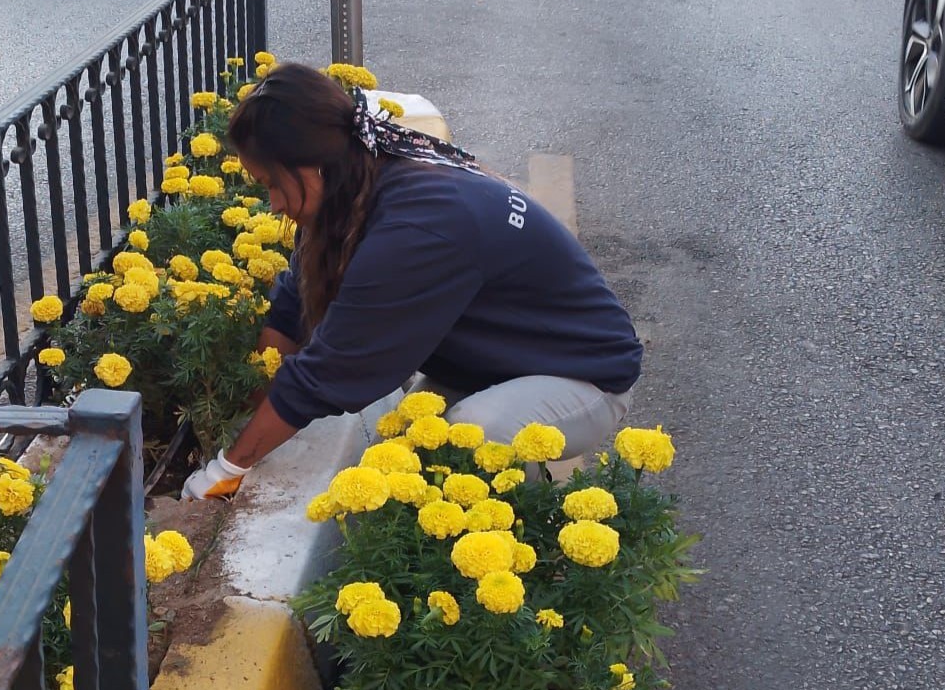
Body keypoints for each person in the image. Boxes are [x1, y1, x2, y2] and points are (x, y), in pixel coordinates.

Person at [181, 64, 642, 501]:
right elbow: (290, 310)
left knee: (465, 439)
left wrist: (227, 470)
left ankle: (526, 553)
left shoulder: (418, 228)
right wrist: (245, 417)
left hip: (583, 377)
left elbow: (329, 372)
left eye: (274, 184)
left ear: (314, 166)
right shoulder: (360, 179)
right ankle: (521, 498)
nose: (274, 204)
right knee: (401, 450)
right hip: (505, 364)